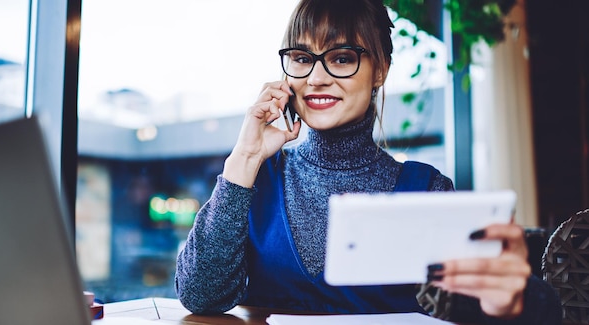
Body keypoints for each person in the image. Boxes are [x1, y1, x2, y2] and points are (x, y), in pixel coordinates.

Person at [175, 0, 562, 323]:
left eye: (342, 58)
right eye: (301, 57)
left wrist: (512, 303)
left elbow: (494, 309)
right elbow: (199, 296)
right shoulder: (255, 179)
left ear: (380, 70)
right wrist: (244, 158)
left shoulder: (426, 190)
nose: (316, 78)